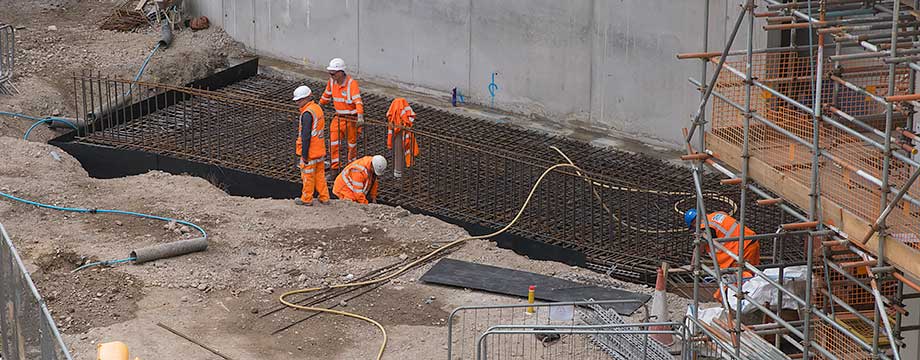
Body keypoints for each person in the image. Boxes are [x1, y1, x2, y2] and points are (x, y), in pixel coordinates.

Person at [684, 208, 760, 300]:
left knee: (740, 277)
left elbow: (699, 246)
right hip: (751, 242)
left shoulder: (705, 226)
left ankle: (728, 300)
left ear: (693, 223)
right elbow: (723, 214)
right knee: (752, 276)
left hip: (742, 249)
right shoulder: (715, 215)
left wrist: (693, 265)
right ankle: (753, 299)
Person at [320, 58, 364, 173]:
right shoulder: (331, 81)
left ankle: (351, 169)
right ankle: (335, 169)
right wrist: (319, 106)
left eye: (333, 73)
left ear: (341, 72)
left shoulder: (351, 84)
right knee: (333, 143)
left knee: (352, 145)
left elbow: (358, 101)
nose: (331, 75)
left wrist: (360, 117)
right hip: (338, 118)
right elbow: (326, 95)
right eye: (330, 73)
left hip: (351, 120)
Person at [292, 85, 330, 206]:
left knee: (307, 176)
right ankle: (324, 197)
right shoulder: (317, 108)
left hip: (311, 152)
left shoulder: (307, 114)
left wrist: (304, 154)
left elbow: (306, 136)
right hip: (320, 150)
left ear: (307, 98)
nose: (298, 103)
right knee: (320, 175)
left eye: (300, 100)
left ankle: (306, 199)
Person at [386, 97, 419, 178]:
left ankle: (398, 173)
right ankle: (398, 173)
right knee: (400, 149)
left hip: (400, 134)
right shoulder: (401, 117)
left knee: (400, 150)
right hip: (401, 134)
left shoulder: (394, 118)